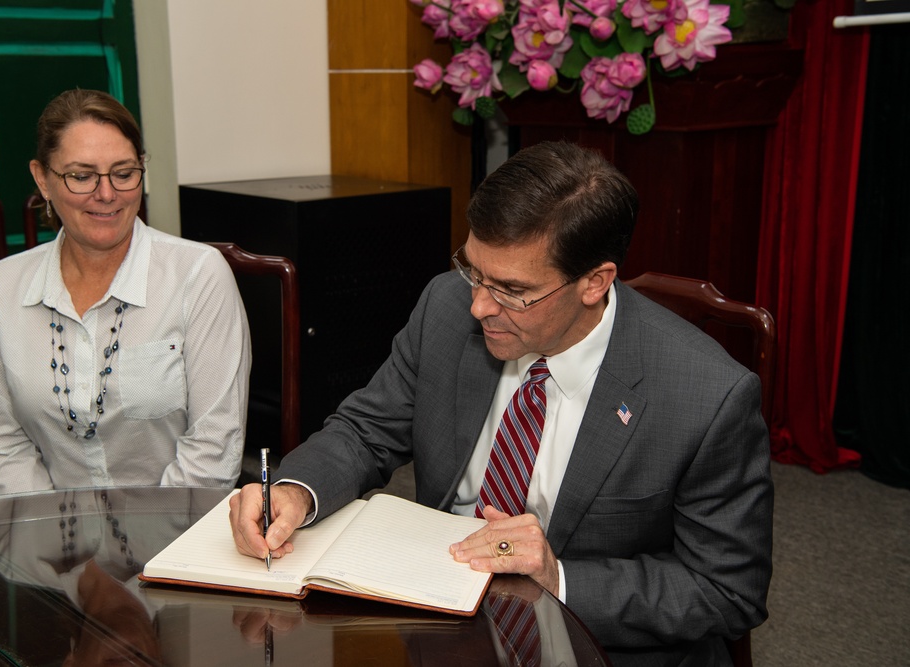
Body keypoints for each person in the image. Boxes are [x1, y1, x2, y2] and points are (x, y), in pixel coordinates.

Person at [229, 141, 772, 663]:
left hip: (590, 648)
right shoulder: (445, 307)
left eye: (512, 290)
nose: (478, 305)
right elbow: (366, 429)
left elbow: (726, 590)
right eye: (472, 270)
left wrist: (556, 577)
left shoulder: (706, 396)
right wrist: (296, 491)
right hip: (434, 620)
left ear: (594, 282)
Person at [0, 88, 250, 496]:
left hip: (175, 537)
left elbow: (213, 447)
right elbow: (0, 441)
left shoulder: (198, 277)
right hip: (52, 542)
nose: (106, 194)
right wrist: (54, 549)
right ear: (42, 178)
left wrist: (146, 556)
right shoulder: (0, 288)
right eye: (81, 176)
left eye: (123, 172)